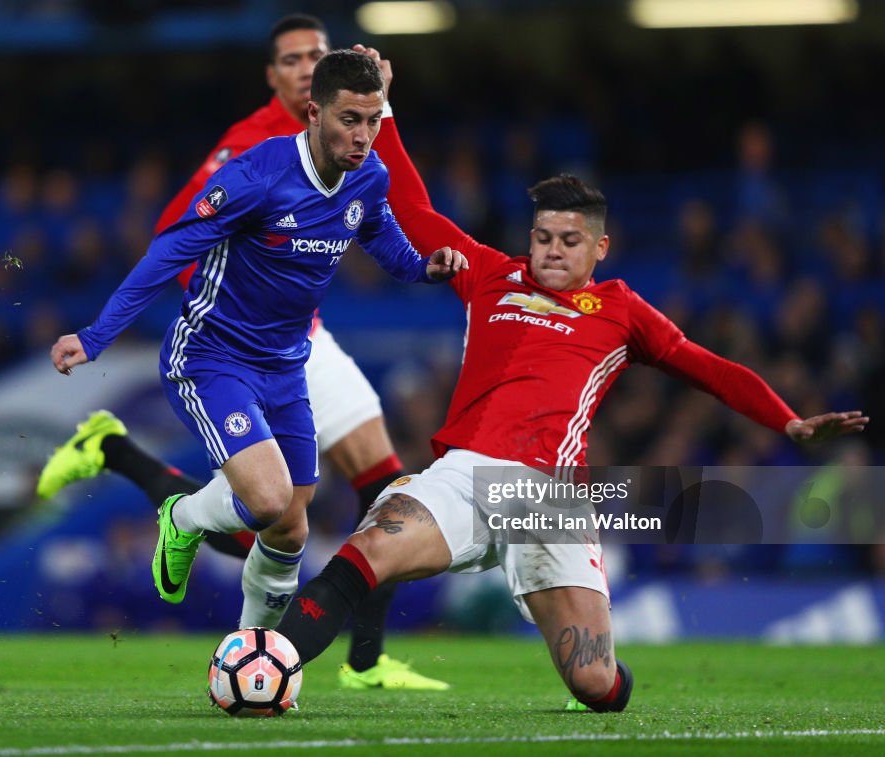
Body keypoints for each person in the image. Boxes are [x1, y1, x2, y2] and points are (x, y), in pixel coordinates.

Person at [267, 62, 869, 712]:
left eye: (570, 240)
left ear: (600, 246)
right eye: (544, 237)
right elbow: (412, 209)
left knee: (595, 684)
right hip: (465, 475)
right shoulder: (492, 276)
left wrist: (789, 421)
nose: (552, 251)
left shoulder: (623, 311)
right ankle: (271, 664)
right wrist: (382, 111)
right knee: (370, 546)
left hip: (552, 500)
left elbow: (711, 370)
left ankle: (611, 675)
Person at [39, 15, 450, 691]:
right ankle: (184, 513)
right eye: (351, 120)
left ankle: (256, 661)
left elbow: (380, 237)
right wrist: (95, 334)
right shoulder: (254, 170)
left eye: (373, 121)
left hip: (289, 362)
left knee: (291, 527)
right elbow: (172, 244)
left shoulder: (366, 173)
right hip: (215, 355)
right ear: (312, 108)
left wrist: (423, 267)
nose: (363, 136)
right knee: (266, 498)